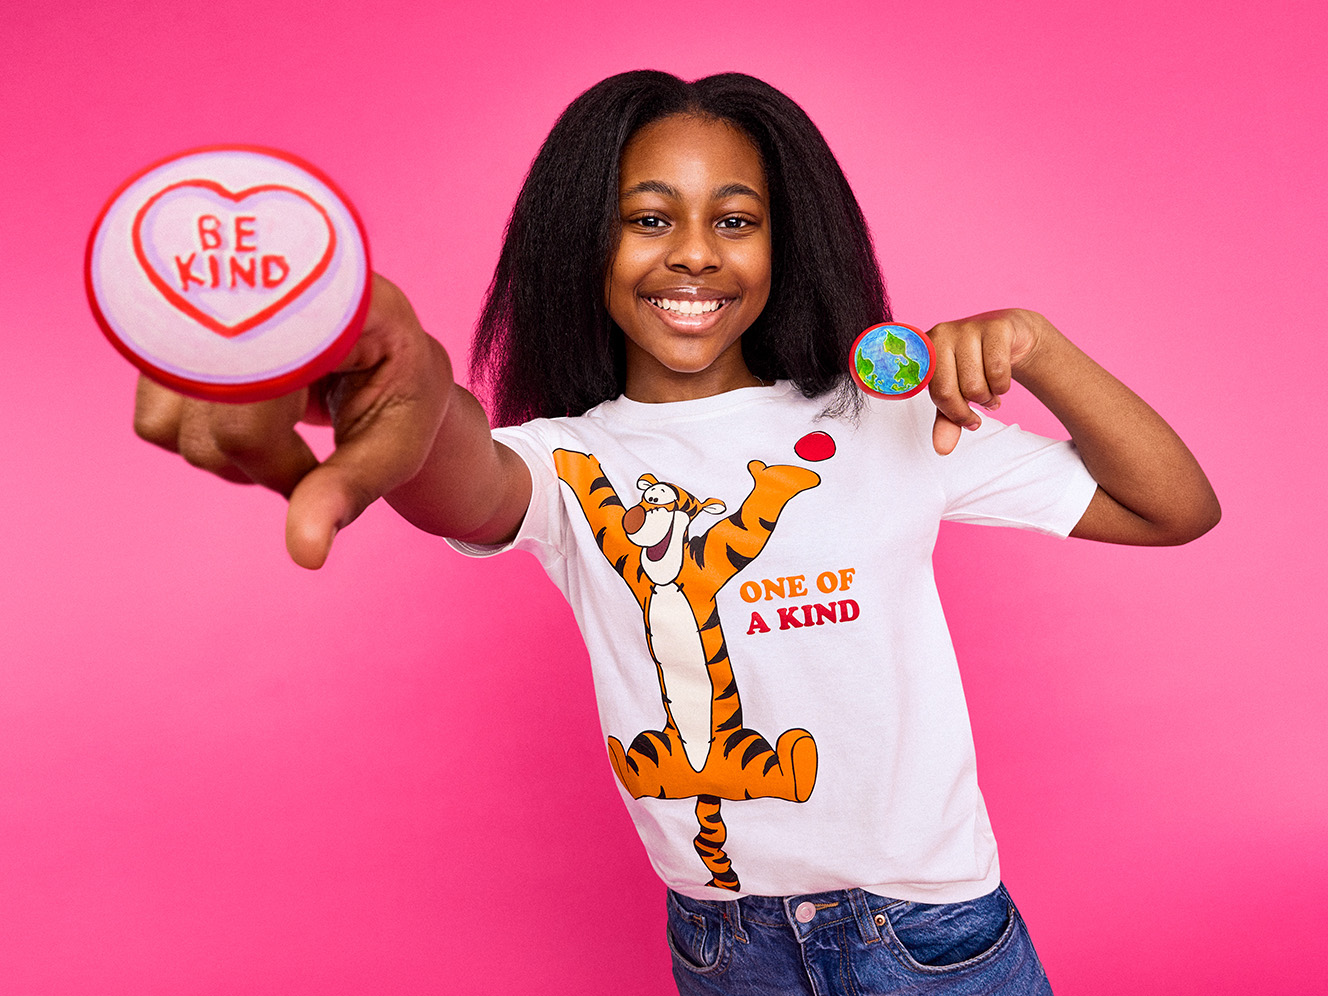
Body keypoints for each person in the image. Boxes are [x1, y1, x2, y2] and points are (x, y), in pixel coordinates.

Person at [132, 71, 1220, 995]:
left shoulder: (883, 420)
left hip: (928, 935)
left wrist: (1039, 347)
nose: (691, 255)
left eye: (732, 220)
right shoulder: (566, 460)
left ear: (783, 245)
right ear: (581, 245)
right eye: (647, 218)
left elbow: (1173, 509)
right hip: (720, 942)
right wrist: (410, 380)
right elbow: (461, 470)